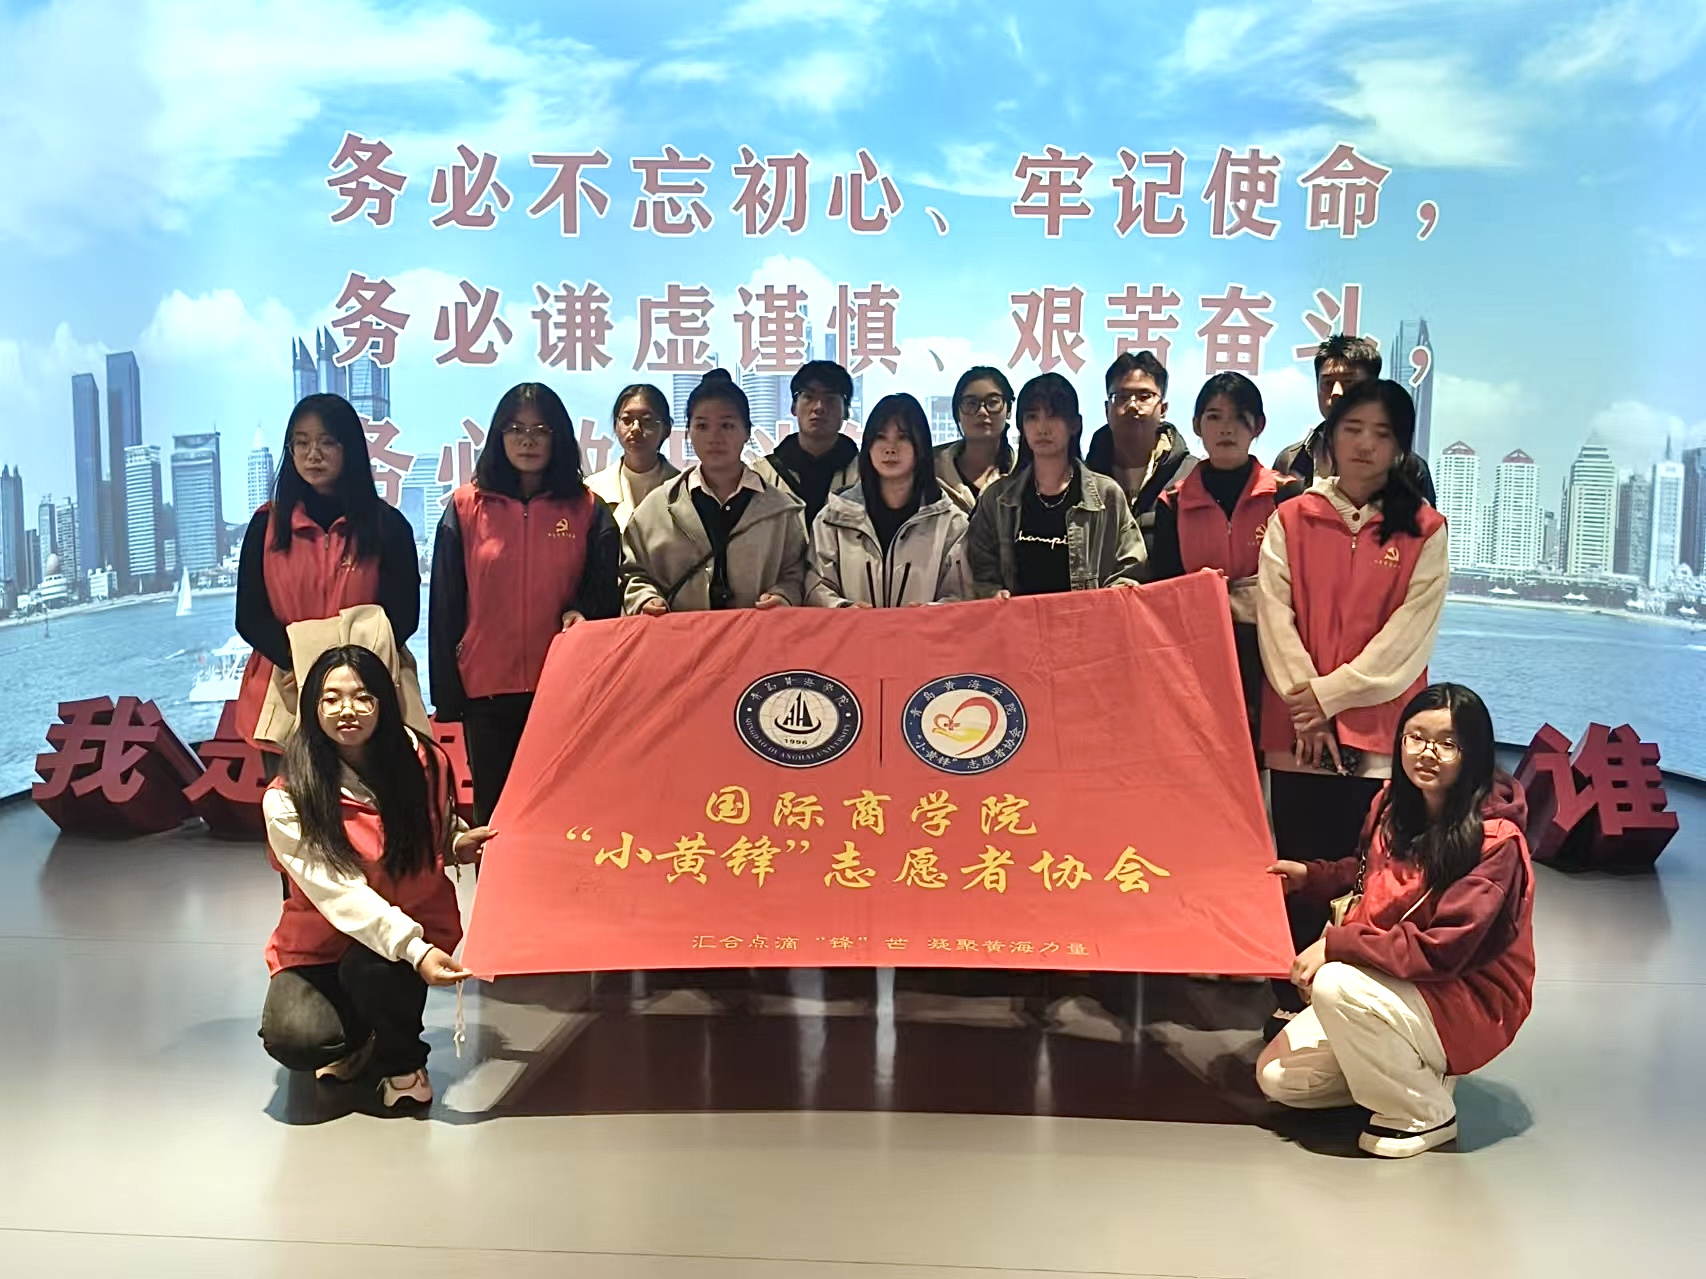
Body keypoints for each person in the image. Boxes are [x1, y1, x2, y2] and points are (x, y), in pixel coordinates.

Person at [1258, 683, 1534, 1158]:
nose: (1427, 753)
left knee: (1334, 984)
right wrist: (1311, 876)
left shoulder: (1496, 841)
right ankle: (1408, 1070)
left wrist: (1338, 946)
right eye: (1415, 738)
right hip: (1391, 978)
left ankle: (1425, 1113)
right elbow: (1367, 872)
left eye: (1447, 743)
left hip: (1465, 997)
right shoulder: (1390, 806)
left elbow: (1443, 949)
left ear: (1474, 753)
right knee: (1279, 1080)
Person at [1256, 378, 1449, 975]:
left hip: (1378, 732)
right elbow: (1274, 618)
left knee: (1369, 868)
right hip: (1297, 732)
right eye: (1353, 429)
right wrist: (1307, 709)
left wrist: (1325, 698)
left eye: (1382, 433)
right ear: (1331, 437)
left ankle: (1350, 989)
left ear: (1401, 446)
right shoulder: (1291, 518)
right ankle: (1288, 985)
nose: (1365, 444)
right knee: (1296, 865)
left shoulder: (1424, 530)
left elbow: (1405, 643)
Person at [260, 645, 494, 1111]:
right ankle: (358, 1036)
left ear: (385, 700)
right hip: (324, 937)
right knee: (297, 1039)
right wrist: (416, 950)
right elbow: (340, 893)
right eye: (330, 698)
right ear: (312, 706)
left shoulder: (425, 760)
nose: (346, 710)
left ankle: (403, 1063)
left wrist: (454, 843)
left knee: (377, 967)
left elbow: (428, 824)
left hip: (412, 919)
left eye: (362, 696)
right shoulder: (288, 797)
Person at [429, 383, 621, 826]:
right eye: (516, 429)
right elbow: (445, 605)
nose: (528, 441)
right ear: (499, 436)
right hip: (487, 691)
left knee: (563, 814)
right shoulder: (465, 507)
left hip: (565, 690)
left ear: (559, 438)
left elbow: (603, 596)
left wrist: (582, 612)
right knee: (496, 818)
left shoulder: (587, 508)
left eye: (541, 430)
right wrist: (448, 695)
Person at [235, 393, 419, 752]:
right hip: (286, 688)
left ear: (350, 448)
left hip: (368, 693)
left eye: (327, 442)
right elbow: (250, 617)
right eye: (301, 443)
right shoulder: (265, 526)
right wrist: (302, 666)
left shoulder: (388, 526)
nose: (313, 454)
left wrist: (347, 675)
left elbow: (402, 616)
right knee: (291, 790)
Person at [1151, 373, 1302, 748]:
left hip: (1273, 660)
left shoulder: (1287, 496)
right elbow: (1164, 595)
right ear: (1196, 425)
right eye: (1215, 417)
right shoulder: (1173, 503)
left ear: (1258, 426)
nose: (1226, 429)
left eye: (1239, 417)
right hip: (1199, 660)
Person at [622, 369, 809, 614]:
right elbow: (634, 573)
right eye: (702, 426)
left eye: (727, 425)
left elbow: (795, 573)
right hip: (680, 634)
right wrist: (645, 600)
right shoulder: (657, 508)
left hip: (758, 633)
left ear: (747, 432)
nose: (714, 437)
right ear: (688, 433)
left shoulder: (781, 510)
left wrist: (784, 595)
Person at [966, 372, 1148, 597]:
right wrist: (993, 594)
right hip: (1017, 619)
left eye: (1053, 416)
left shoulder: (1106, 495)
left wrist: (1110, 597)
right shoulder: (997, 499)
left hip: (1086, 618)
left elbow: (1131, 567)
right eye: (1032, 417)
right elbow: (981, 571)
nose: (1042, 428)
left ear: (1075, 424)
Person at [809, 392, 969, 607]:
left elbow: (961, 595)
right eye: (880, 437)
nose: (890, 448)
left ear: (921, 446)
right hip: (853, 628)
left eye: (903, 437)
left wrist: (930, 612)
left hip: (923, 629)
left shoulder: (952, 523)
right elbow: (816, 586)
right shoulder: (833, 518)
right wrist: (843, 609)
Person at [1274, 335, 1437, 504]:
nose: (1336, 393)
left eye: (1348, 382)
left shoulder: (1408, 466)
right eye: (1328, 383)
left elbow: (1425, 520)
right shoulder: (1290, 461)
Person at [1084, 350, 1197, 553]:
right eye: (1122, 397)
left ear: (1163, 409)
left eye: (1144, 396)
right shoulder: (1084, 476)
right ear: (1106, 410)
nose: (1133, 406)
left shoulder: (1191, 475)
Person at [750, 359, 859, 526]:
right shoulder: (762, 474)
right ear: (793, 406)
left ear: (846, 410)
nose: (819, 407)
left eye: (830, 398)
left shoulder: (864, 474)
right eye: (809, 396)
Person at [585, 383, 680, 530]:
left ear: (666, 430)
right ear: (616, 427)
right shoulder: (593, 488)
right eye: (627, 420)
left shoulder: (683, 488)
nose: (635, 428)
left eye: (647, 420)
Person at [934, 366, 1015, 514]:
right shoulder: (932, 471)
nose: (982, 412)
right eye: (971, 404)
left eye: (993, 402)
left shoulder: (1024, 473)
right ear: (957, 413)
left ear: (1008, 410)